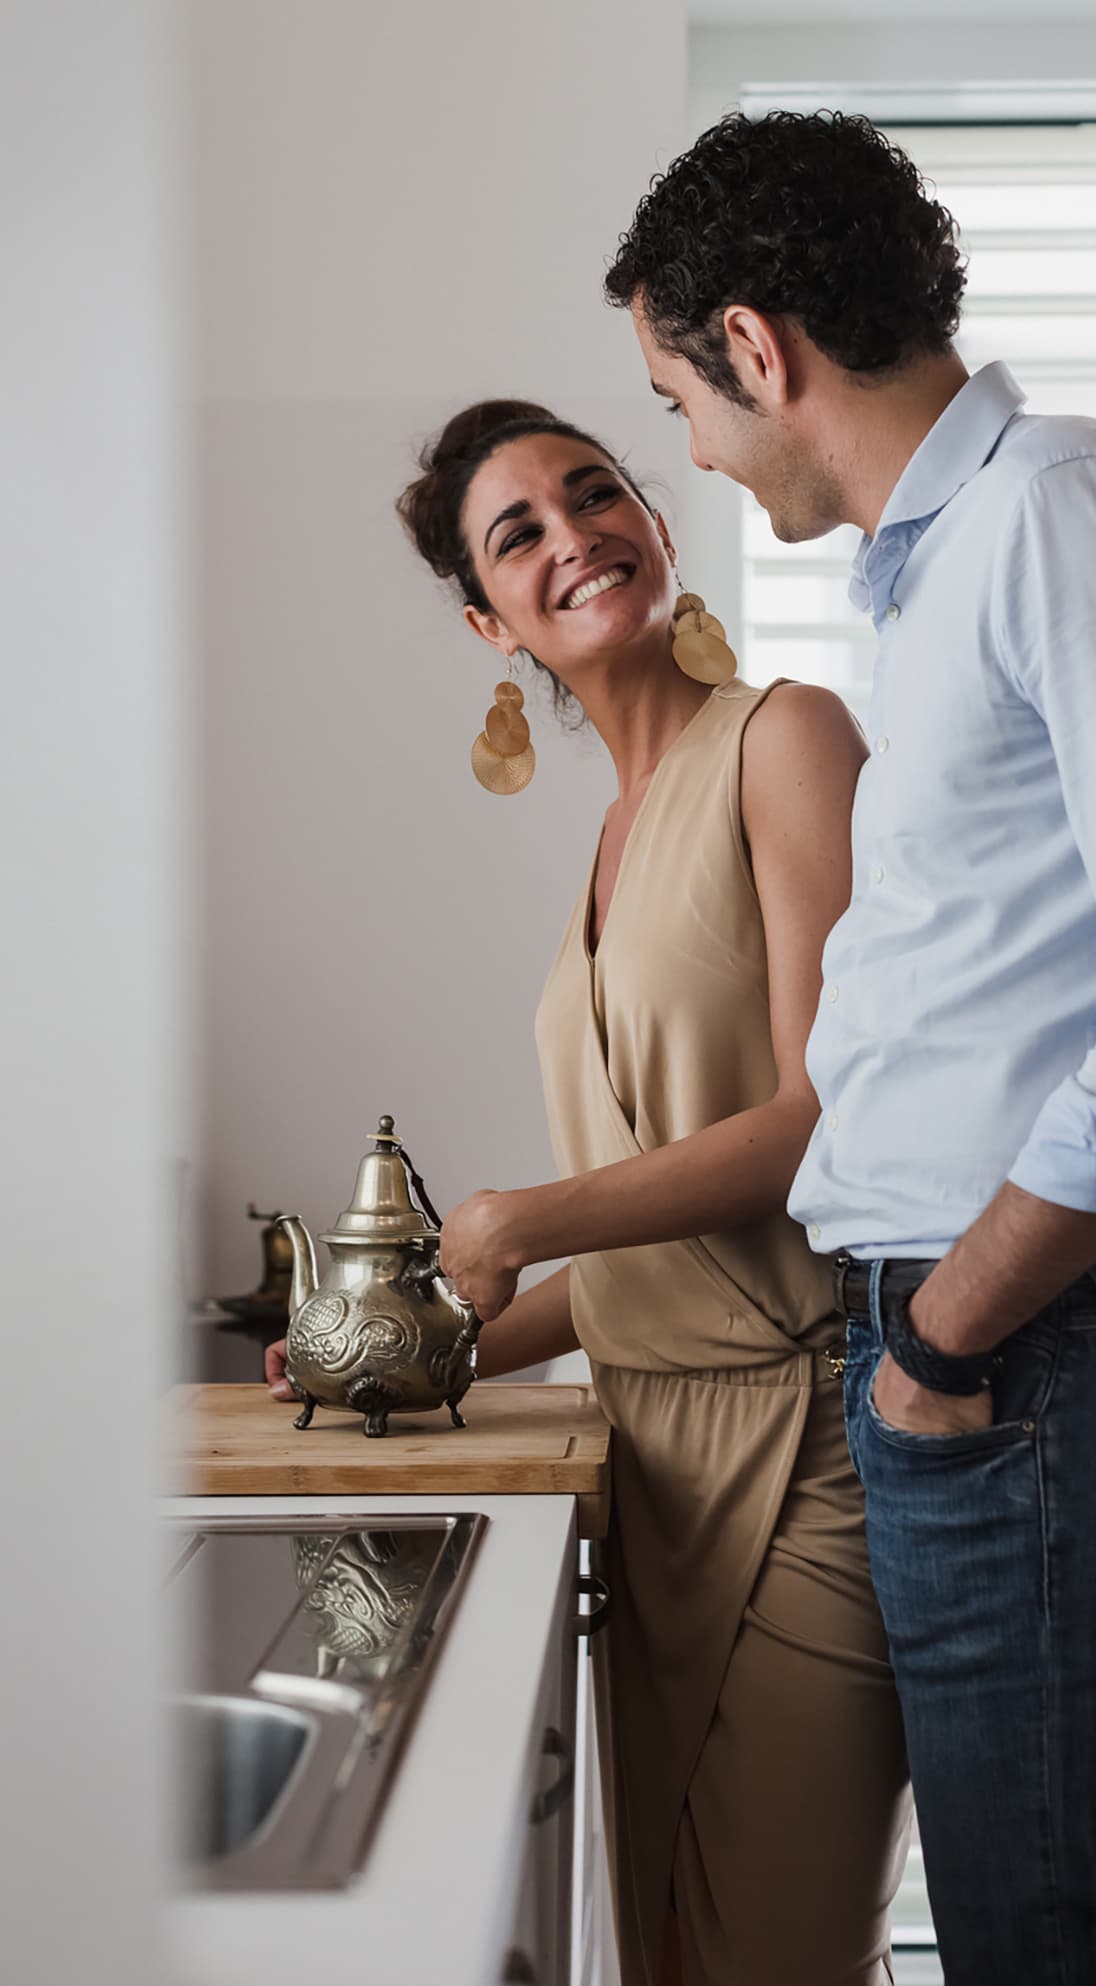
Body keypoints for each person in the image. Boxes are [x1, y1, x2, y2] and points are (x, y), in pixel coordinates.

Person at [605, 110, 1096, 1986]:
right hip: (997, 1365)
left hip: (1042, 1363)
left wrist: (943, 1334)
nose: (681, 439)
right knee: (1034, 1939)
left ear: (758, 350)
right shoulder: (937, 572)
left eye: (674, 390)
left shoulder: (1067, 509)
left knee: (1064, 1953)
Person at [267, 399, 911, 1986]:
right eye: (523, 534)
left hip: (810, 1452)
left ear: (661, 522)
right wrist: (412, 1358)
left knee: (784, 1953)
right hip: (653, 1471)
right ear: (493, 622)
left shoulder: (787, 738)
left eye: (595, 492)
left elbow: (830, 1122)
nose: (577, 537)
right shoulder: (611, 835)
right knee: (678, 1954)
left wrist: (517, 1219)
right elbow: (667, 1241)